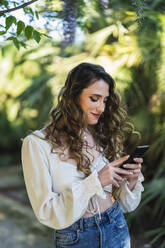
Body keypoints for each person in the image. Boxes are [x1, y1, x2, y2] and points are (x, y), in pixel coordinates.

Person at [21, 62, 144, 248]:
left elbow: (126, 205)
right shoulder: (37, 144)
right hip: (76, 239)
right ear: (73, 96)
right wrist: (96, 181)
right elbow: (46, 212)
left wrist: (131, 181)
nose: (102, 108)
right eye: (95, 99)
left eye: (105, 100)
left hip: (116, 228)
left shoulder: (101, 133)